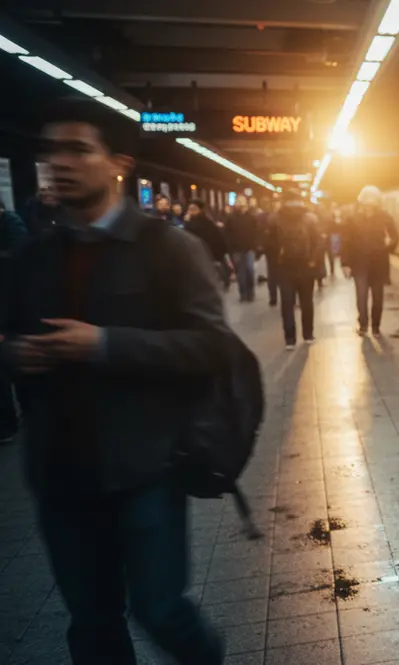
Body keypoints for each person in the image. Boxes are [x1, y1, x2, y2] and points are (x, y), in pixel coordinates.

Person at [0, 98, 229, 664]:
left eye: (78, 148)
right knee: (92, 623)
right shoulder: (31, 258)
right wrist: (13, 354)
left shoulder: (168, 249)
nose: (58, 162)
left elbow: (211, 346)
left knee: (161, 610)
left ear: (116, 162)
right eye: (49, 150)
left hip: (146, 466)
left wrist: (102, 344)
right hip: (60, 475)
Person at [342, 186, 398, 336]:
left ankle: (375, 326)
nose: (368, 206)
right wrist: (345, 263)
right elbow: (346, 242)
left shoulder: (385, 217)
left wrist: (389, 245)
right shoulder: (352, 219)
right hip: (359, 263)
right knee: (362, 295)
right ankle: (364, 325)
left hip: (378, 263)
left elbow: (394, 237)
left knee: (377, 296)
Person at [272, 190, 320, 349]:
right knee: (307, 302)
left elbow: (269, 244)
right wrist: (313, 260)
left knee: (287, 304)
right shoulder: (311, 218)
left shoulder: (275, 218)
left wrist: (276, 260)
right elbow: (318, 242)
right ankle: (308, 335)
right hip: (306, 266)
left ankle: (290, 340)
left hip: (285, 267)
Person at [0, 198, 28, 444]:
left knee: (13, 365)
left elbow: (17, 258)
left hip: (11, 302)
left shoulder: (12, 223)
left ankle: (15, 420)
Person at [183, 200, 231, 291]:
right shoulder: (201, 221)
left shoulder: (202, 222)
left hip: (205, 252)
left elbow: (190, 233)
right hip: (201, 253)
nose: (190, 211)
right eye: (189, 209)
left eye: (193, 209)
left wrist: (187, 222)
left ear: (199, 210)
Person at [224, 198, 259, 303]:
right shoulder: (231, 219)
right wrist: (230, 249)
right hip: (237, 250)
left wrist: (255, 246)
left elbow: (256, 232)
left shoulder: (251, 218)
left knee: (249, 270)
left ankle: (250, 292)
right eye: (239, 204)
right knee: (241, 272)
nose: (241, 206)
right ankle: (243, 293)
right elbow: (227, 235)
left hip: (249, 249)